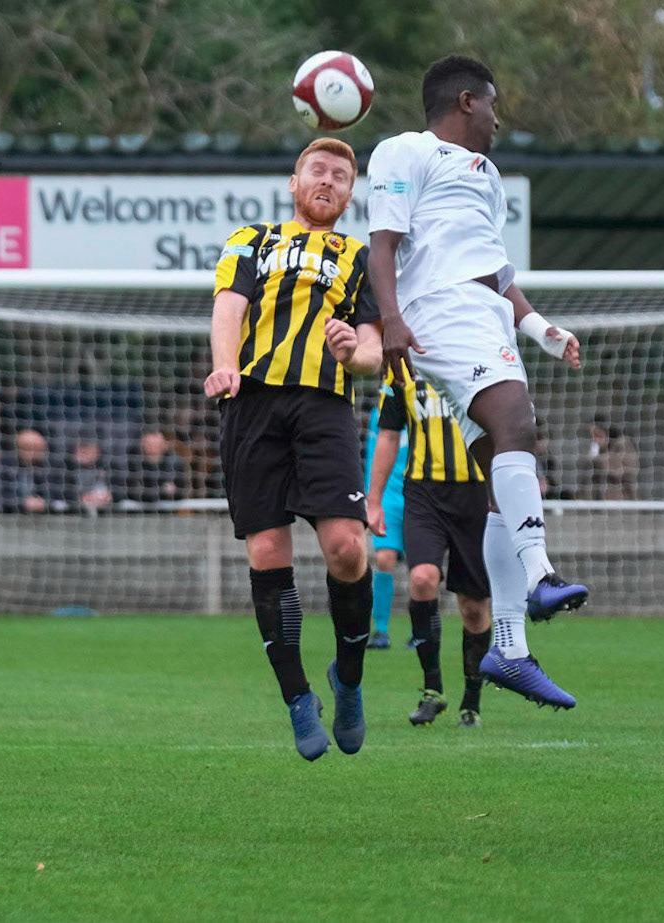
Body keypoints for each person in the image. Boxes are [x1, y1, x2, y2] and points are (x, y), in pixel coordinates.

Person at [367, 54, 587, 710]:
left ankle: (510, 649)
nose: (498, 119)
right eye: (493, 105)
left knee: (500, 476)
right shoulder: (406, 150)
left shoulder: (488, 176)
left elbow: (498, 274)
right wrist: (392, 321)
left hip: (485, 315)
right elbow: (382, 245)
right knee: (519, 424)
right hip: (441, 310)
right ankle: (542, 574)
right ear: (466, 101)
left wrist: (544, 329)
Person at [204, 137, 383, 763]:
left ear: (350, 193)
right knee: (268, 553)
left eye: (340, 174)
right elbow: (229, 307)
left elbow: (372, 351)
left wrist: (351, 351)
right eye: (317, 170)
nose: (328, 180)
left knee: (346, 548)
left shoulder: (361, 259)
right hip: (252, 406)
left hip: (324, 407)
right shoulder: (250, 240)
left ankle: (350, 678)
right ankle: (297, 699)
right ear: (294, 182)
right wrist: (226, 368)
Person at [369, 371, 493, 728]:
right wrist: (374, 499)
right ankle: (432, 690)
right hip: (423, 492)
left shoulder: (476, 354)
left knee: (473, 607)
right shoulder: (401, 366)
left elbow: (508, 425)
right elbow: (389, 434)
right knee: (422, 579)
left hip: (478, 493)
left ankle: (471, 700)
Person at [362, 383, 410, 649]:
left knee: (422, 568)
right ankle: (380, 630)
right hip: (389, 495)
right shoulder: (380, 412)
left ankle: (420, 631)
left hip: (418, 490)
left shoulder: (425, 409)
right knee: (384, 558)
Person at [0, 428, 67, 514]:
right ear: (20, 449)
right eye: (33, 448)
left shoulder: (51, 468)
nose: (40, 453)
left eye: (42, 449)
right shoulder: (2, 467)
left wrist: (44, 502)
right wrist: (22, 502)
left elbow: (61, 493)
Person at [125, 429, 188, 505]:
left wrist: (174, 492)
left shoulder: (175, 463)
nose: (153, 449)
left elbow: (182, 492)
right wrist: (163, 491)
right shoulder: (134, 464)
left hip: (168, 512)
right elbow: (134, 493)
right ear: (142, 446)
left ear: (164, 445)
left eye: (157, 445)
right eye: (149, 445)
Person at [69, 437, 114, 514]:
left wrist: (110, 496)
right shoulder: (68, 470)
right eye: (81, 449)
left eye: (88, 448)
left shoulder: (108, 467)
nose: (85, 452)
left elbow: (120, 491)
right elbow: (63, 494)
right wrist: (80, 498)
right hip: (76, 510)